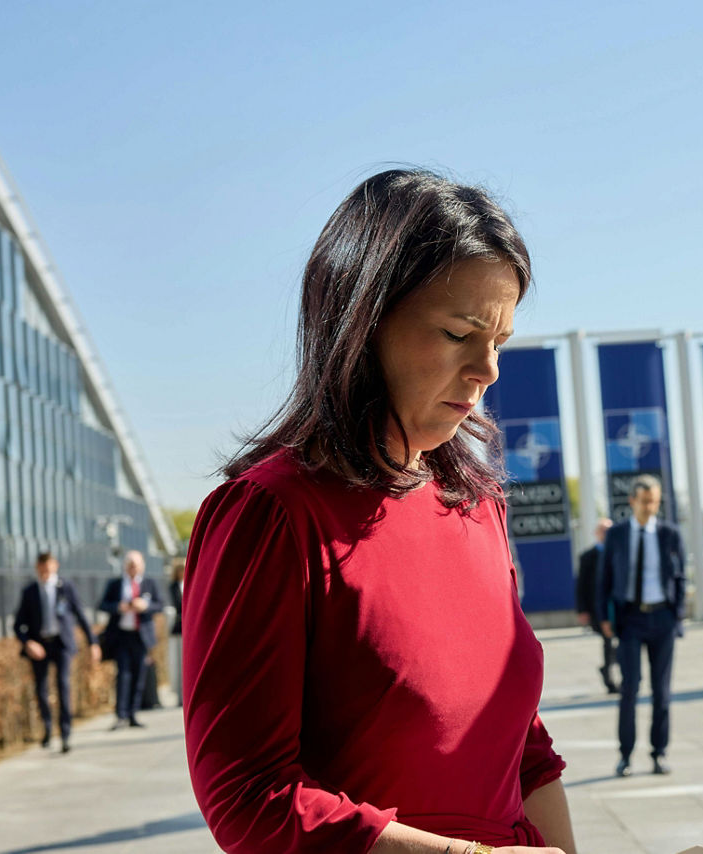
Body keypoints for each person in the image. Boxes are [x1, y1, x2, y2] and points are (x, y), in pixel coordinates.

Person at [182, 169, 575, 854]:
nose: (489, 369)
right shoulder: (270, 515)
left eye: (500, 341)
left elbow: (524, 748)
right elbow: (245, 798)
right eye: (460, 333)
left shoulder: (479, 509)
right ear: (362, 322)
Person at [597, 475, 686, 778]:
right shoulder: (618, 535)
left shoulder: (670, 534)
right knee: (630, 689)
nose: (651, 507)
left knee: (662, 691)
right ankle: (625, 756)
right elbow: (604, 578)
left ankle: (659, 753)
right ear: (632, 501)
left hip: (662, 618)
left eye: (656, 501)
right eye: (646, 501)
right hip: (630, 619)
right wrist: (604, 619)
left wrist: (678, 616)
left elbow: (680, 577)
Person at [13, 551, 100, 754]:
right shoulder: (30, 591)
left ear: (55, 566)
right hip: (40, 646)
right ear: (37, 568)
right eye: (42, 568)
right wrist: (28, 643)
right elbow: (18, 625)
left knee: (63, 687)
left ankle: (66, 733)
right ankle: (47, 728)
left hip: (62, 645)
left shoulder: (65, 587)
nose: (45, 571)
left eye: (49, 567)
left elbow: (80, 615)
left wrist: (93, 643)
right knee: (41, 690)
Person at [98, 550, 164, 729]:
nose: (133, 568)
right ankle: (121, 715)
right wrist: (118, 607)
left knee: (138, 675)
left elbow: (160, 604)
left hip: (141, 637)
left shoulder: (149, 583)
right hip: (121, 636)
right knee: (123, 675)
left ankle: (134, 714)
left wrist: (145, 606)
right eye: (130, 564)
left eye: (136, 564)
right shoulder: (116, 584)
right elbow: (103, 604)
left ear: (142, 566)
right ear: (125, 566)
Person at [575, 518, 617, 694]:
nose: (606, 534)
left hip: (617, 606)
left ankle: (608, 668)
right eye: (603, 531)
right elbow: (581, 584)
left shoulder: (619, 552)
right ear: (597, 533)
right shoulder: (588, 556)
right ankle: (609, 677)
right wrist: (582, 609)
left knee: (622, 642)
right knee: (608, 641)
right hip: (598, 607)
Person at [167, 557, 185, 706]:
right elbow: (178, 604)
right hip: (179, 628)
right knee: (179, 663)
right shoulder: (173, 586)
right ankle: (180, 697)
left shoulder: (192, 581)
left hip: (190, 626)